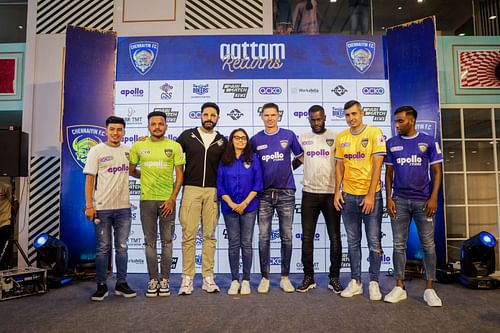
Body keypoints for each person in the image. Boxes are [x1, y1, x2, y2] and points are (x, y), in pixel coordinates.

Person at [384, 106, 443, 307]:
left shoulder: (428, 141)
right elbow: (389, 174)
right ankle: (399, 286)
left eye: (400, 121)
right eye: (395, 121)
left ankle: (429, 289)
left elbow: (437, 172)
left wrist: (434, 197)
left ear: (412, 121)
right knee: (398, 244)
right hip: (399, 200)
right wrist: (388, 198)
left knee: (428, 245)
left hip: (423, 201)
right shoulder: (391, 143)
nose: (397, 125)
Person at [333, 100, 386, 300]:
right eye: (347, 115)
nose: (351, 118)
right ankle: (356, 281)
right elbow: (339, 167)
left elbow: (378, 165)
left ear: (362, 113)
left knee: (374, 242)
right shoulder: (341, 137)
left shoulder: (374, 133)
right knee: (353, 242)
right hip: (348, 196)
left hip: (371, 196)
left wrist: (371, 194)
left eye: (354, 114)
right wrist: (337, 192)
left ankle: (374, 282)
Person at [129, 110, 185, 297]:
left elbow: (180, 176)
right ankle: (153, 280)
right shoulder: (138, 146)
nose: (157, 127)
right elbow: (131, 170)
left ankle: (165, 280)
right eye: (153, 124)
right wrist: (143, 175)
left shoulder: (174, 146)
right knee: (150, 243)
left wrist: (172, 199)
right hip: (146, 202)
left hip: (167, 201)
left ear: (166, 126)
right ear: (148, 127)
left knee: (167, 242)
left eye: (160, 124)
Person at [251, 102, 303, 293]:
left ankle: (285, 277)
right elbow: (249, 164)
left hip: (286, 192)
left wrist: (289, 168)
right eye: (267, 115)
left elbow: (301, 156)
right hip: (263, 194)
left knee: (287, 237)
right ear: (262, 117)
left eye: (273, 115)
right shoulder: (255, 140)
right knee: (264, 237)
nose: (270, 118)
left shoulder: (288, 135)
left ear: (278, 116)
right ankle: (265, 278)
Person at [176, 102, 227, 295]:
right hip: (191, 189)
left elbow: (231, 163)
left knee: (210, 235)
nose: (209, 118)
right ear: (200, 116)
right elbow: (170, 152)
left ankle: (208, 277)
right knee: (188, 235)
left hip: (212, 191)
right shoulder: (188, 135)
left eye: (213, 115)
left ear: (218, 118)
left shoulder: (222, 140)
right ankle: (187, 279)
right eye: (206, 114)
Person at [84, 116, 136, 301]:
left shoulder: (129, 151)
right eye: (112, 129)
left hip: (124, 209)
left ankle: (121, 283)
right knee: (103, 248)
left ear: (124, 131)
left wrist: (151, 168)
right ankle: (101, 285)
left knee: (122, 248)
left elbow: (134, 172)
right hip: (102, 208)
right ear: (106, 130)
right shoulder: (96, 151)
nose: (115, 133)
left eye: (119, 129)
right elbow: (89, 179)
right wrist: (90, 205)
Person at [293, 105, 342, 293]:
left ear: (325, 117)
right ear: (308, 119)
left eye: (319, 119)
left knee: (335, 238)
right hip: (309, 194)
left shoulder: (336, 137)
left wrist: (340, 190)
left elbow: (341, 165)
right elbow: (296, 162)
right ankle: (308, 277)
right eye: (313, 119)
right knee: (307, 238)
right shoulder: (303, 138)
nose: (316, 122)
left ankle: (334, 278)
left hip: (331, 194)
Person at [217, 128, 263, 295]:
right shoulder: (224, 160)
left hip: (249, 207)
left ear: (247, 141)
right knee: (234, 244)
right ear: (232, 140)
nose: (240, 140)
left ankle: (246, 280)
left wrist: (244, 203)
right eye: (237, 138)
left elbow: (258, 183)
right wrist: (230, 202)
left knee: (246, 243)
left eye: (243, 138)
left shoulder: (254, 159)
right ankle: (234, 280)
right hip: (229, 207)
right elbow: (219, 184)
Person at [0, 181, 13, 270]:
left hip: (4, 222)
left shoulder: (5, 186)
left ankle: (3, 268)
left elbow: (15, 202)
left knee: (2, 248)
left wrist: (13, 217)